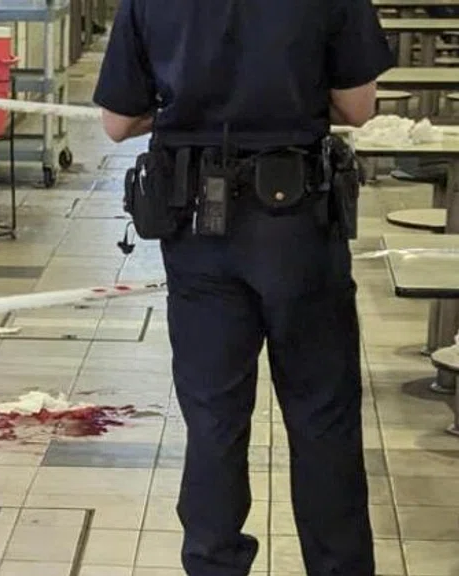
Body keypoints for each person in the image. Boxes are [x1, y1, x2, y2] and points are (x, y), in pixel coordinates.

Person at [94, 0, 393, 574]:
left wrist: (188, 109)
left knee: (213, 419)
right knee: (322, 416)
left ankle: (214, 563)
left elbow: (117, 121)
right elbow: (358, 107)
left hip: (197, 226)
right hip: (299, 226)